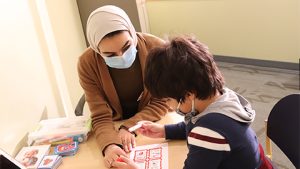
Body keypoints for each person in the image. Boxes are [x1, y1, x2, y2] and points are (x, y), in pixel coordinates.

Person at [111, 36, 274, 169]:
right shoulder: (221, 96)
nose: (168, 106)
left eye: (168, 99)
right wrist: (164, 131)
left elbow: (205, 131)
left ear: (189, 95)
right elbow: (198, 122)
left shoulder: (210, 132)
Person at [77, 5, 169, 168]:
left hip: (150, 122)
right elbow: (100, 116)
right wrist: (110, 145)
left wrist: (129, 127)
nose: (122, 56)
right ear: (97, 50)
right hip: (113, 124)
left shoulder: (157, 49)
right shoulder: (87, 63)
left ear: (132, 33)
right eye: (110, 55)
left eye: (127, 47)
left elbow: (163, 101)